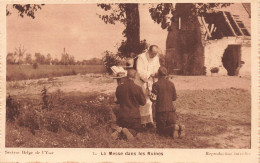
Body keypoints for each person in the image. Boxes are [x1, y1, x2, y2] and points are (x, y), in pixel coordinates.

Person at [151, 66, 185, 139]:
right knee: (169, 125)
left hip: (161, 111)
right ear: (166, 74)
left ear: (158, 74)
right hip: (171, 111)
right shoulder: (171, 84)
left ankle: (173, 128)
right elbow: (174, 98)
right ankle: (178, 127)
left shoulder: (156, 84)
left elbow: (153, 99)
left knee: (160, 131)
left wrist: (149, 95)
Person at [135, 45, 160, 127]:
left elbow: (157, 68)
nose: (154, 56)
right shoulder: (141, 57)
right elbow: (139, 71)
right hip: (142, 82)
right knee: (142, 101)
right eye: (152, 54)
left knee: (150, 102)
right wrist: (149, 74)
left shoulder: (156, 58)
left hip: (151, 82)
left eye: (155, 54)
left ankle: (150, 121)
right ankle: (142, 122)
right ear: (148, 51)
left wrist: (156, 73)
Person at [115, 69, 146, 133]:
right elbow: (143, 102)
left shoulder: (119, 87)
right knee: (136, 131)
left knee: (122, 126)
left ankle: (120, 130)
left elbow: (117, 101)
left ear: (127, 76)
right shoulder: (138, 88)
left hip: (122, 117)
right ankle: (128, 131)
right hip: (134, 117)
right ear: (135, 77)